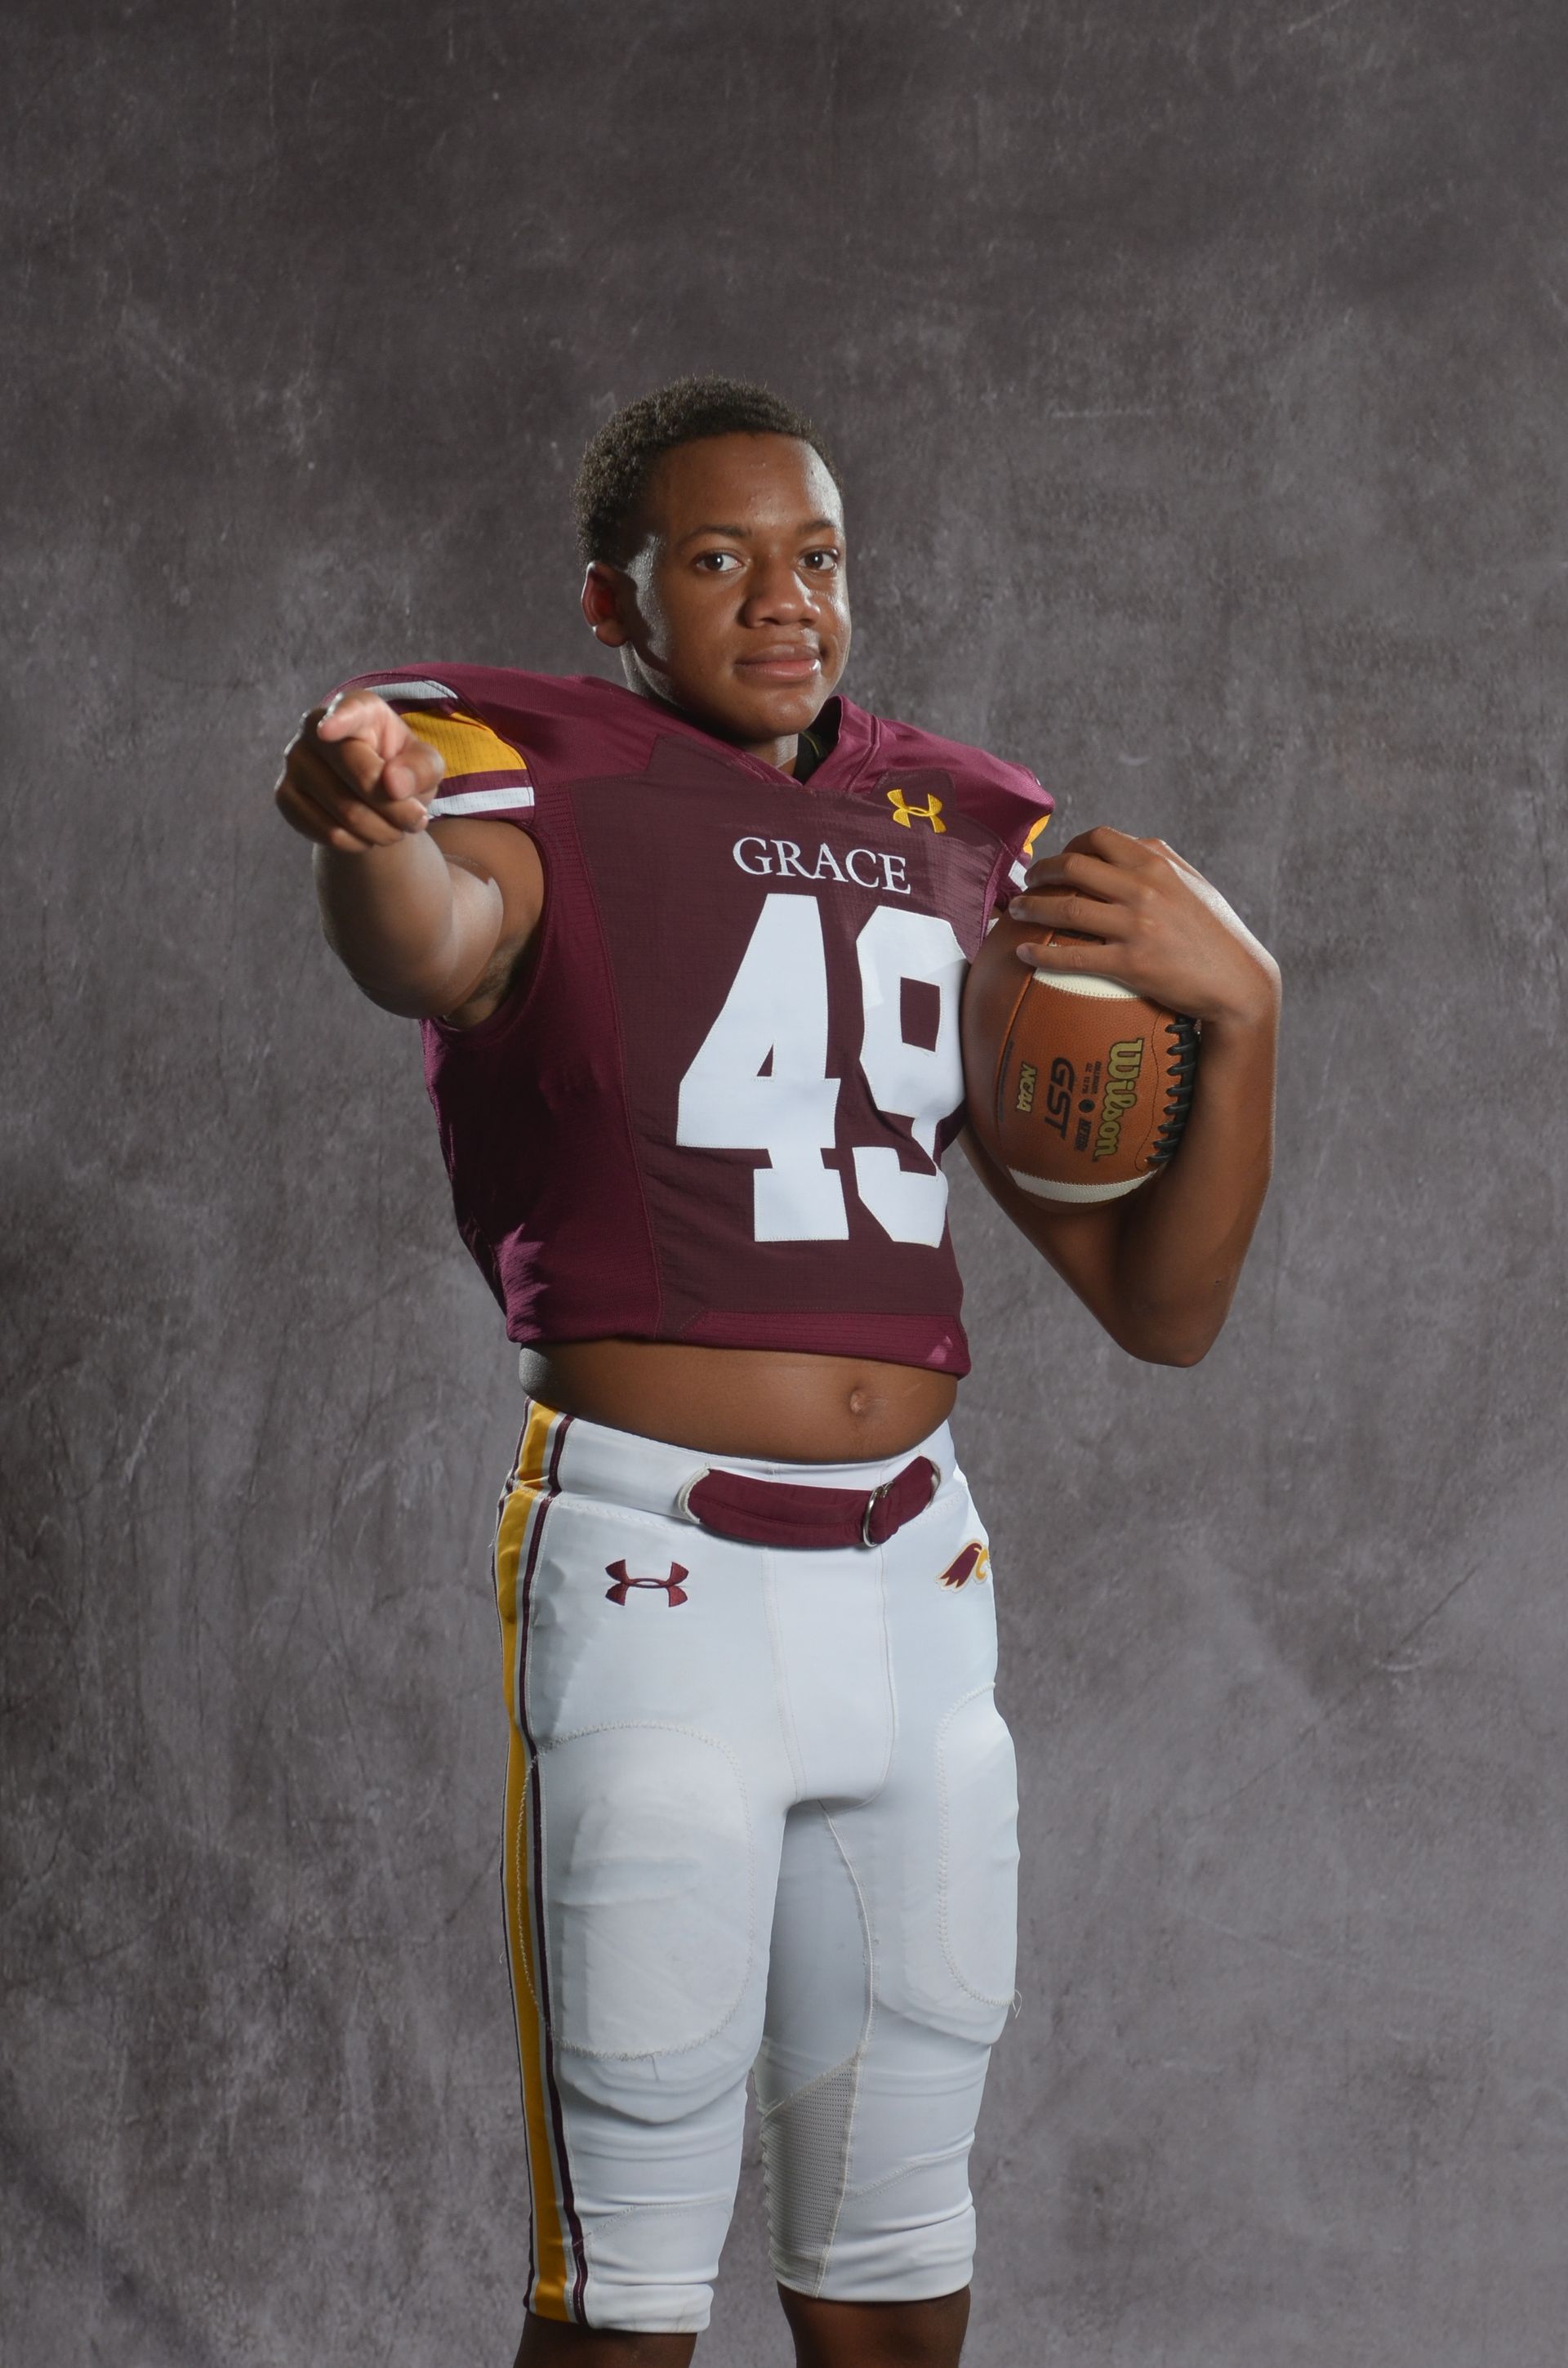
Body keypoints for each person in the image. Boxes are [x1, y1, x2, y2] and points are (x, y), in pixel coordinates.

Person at [274, 377, 1280, 2368]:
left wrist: (1245, 1014)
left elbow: (1161, 1306)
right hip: (662, 1584)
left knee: (901, 2270)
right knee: (630, 2289)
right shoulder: (524, 776)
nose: (783, 599)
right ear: (611, 598)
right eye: (717, 559)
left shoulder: (964, 825)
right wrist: (372, 827)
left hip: (923, 1588)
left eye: (815, 554)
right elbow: (428, 942)